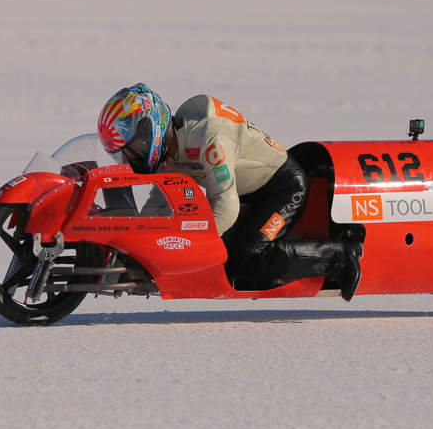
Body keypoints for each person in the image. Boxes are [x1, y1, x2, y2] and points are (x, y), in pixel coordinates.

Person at [97, 83, 362, 300]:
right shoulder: (169, 147)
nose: (130, 158)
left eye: (133, 148)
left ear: (150, 127)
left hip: (281, 187)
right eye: (122, 154)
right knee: (229, 265)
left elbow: (226, 204)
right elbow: (162, 200)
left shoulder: (209, 139)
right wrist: (140, 247)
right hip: (246, 191)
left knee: (247, 259)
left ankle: (340, 256)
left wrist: (186, 248)